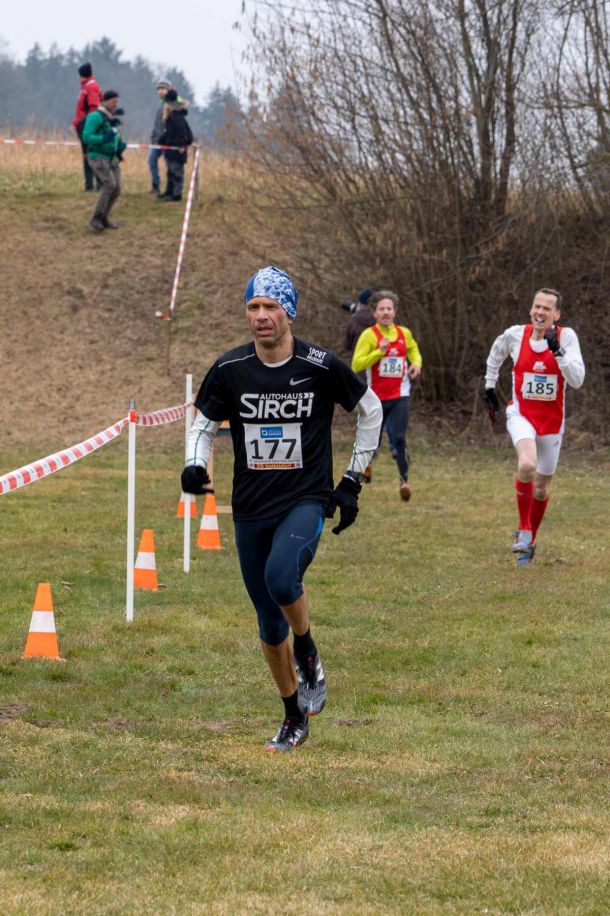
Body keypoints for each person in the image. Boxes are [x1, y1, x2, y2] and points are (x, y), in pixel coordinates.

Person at [181, 266, 382, 752]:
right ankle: (294, 717)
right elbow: (204, 424)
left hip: (305, 499)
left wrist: (351, 481)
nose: (261, 316)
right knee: (270, 627)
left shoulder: (319, 365)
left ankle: (307, 649)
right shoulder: (230, 368)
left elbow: (371, 409)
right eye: (253, 307)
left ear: (288, 312)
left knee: (281, 579)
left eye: (270, 307)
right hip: (251, 506)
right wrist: (193, 465)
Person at [484, 288, 585, 565]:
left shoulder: (567, 337)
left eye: (547, 308)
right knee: (527, 465)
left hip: (552, 423)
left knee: (541, 488)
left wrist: (558, 352)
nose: (540, 312)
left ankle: (530, 541)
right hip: (521, 414)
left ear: (556, 314)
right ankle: (524, 528)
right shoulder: (515, 334)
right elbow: (496, 353)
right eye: (537, 306)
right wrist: (489, 385)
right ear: (531, 309)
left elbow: (577, 380)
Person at [352, 290, 422, 500]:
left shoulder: (404, 333)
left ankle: (404, 482)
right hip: (376, 398)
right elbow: (357, 364)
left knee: (399, 438)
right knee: (373, 441)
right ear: (374, 313)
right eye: (381, 309)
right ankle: (367, 466)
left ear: (395, 312)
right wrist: (378, 352)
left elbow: (414, 351)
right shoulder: (369, 335)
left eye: (389, 309)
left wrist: (416, 364)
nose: (385, 312)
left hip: (400, 395)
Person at [82, 90, 127, 232]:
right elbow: (86, 137)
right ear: (104, 102)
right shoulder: (95, 117)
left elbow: (114, 135)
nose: (115, 105)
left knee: (117, 188)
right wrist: (103, 139)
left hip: (112, 157)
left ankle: (103, 217)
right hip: (98, 156)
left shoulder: (110, 119)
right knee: (109, 184)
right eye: (113, 102)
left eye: (116, 102)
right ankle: (96, 218)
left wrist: (120, 144)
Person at [158, 89, 193, 202]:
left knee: (176, 172)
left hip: (177, 150)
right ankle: (169, 192)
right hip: (171, 149)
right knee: (170, 172)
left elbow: (183, 133)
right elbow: (169, 133)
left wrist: (182, 145)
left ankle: (176, 194)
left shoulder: (176, 116)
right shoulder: (172, 116)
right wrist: (161, 140)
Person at [72, 62, 101, 192]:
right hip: (82, 125)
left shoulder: (91, 87)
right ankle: (89, 185)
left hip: (88, 127)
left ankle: (99, 185)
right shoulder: (85, 88)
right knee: (86, 155)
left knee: (92, 155)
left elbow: (93, 107)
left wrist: (87, 125)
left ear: (82, 75)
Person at [148, 78, 170, 195]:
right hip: (156, 141)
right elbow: (157, 124)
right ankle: (155, 185)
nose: (160, 91)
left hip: (167, 141)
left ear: (168, 90)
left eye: (163, 89)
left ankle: (170, 188)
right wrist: (153, 137)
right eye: (159, 89)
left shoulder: (171, 104)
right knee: (151, 161)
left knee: (169, 165)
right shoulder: (161, 105)